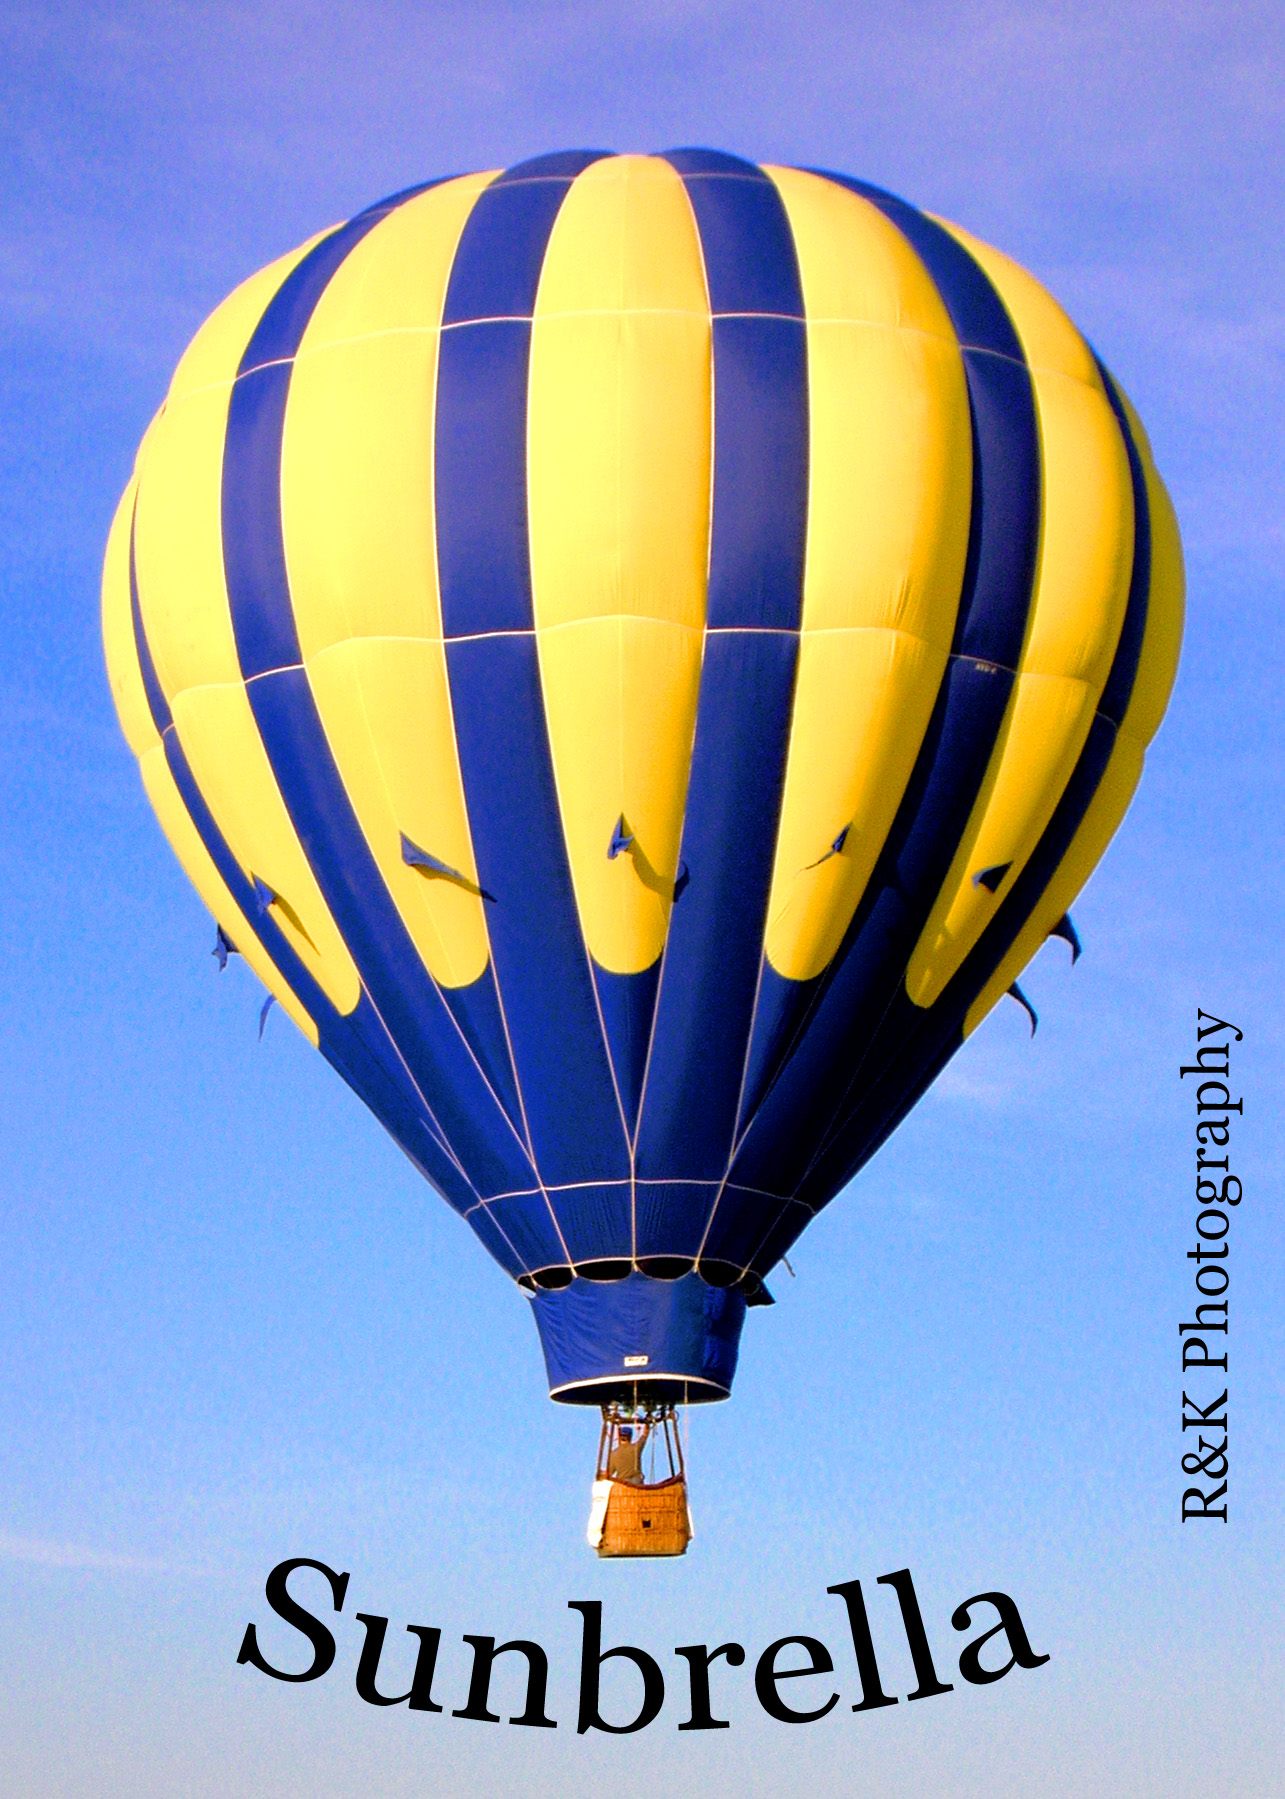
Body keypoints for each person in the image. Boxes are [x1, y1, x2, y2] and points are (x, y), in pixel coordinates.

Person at [606, 1419, 652, 1485]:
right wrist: (647, 1422)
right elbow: (645, 1434)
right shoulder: (635, 1448)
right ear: (630, 1437)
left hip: (621, 1483)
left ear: (620, 1437)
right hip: (636, 1482)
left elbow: (610, 1472)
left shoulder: (614, 1453)